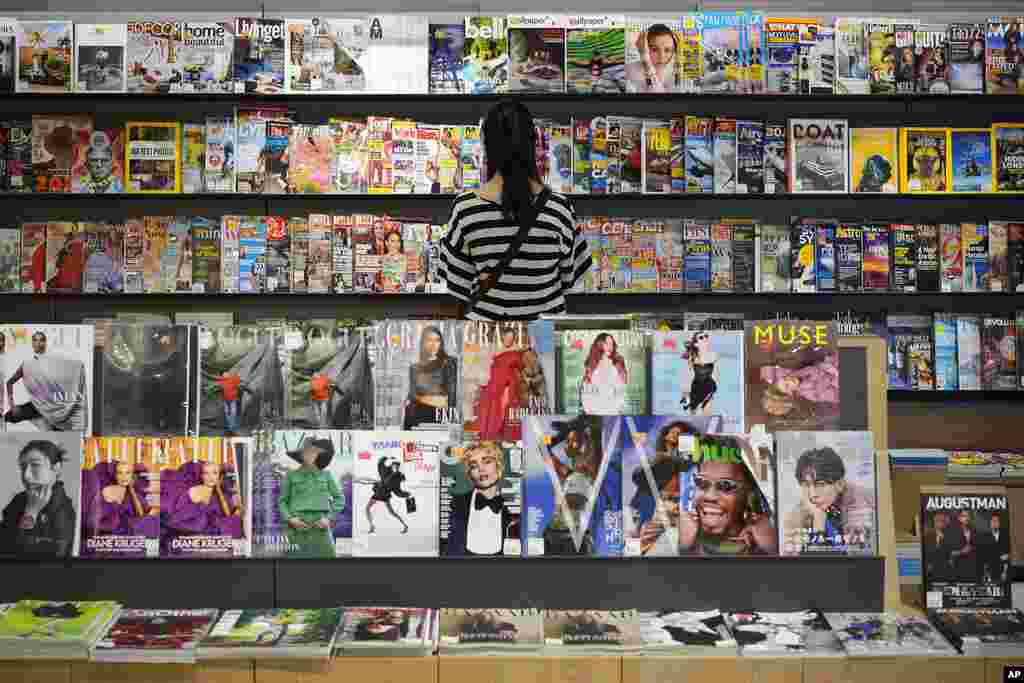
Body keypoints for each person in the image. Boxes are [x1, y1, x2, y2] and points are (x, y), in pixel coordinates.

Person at [439, 101, 590, 320]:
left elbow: (456, 285)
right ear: (533, 144)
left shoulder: (465, 208)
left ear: (486, 145)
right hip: (543, 342)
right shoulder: (559, 208)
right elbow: (570, 280)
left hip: (486, 342)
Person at [677, 435, 776, 555]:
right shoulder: (676, 532)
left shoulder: (769, 541)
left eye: (726, 485)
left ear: (750, 493)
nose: (710, 496)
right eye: (701, 483)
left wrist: (773, 549)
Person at [781, 446, 875, 554]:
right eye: (806, 485)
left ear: (839, 484)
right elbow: (793, 564)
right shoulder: (800, 512)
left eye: (820, 484)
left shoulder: (858, 505)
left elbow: (858, 562)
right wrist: (817, 522)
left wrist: (818, 527)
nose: (812, 495)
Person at [0, 440, 76, 557]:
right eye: (23, 467)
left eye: (35, 465)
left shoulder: (66, 510)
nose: (26, 475)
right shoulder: (19, 500)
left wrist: (31, 512)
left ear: (56, 468)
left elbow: (21, 554)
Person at [5, 330, 89, 432]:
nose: (38, 343)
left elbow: (70, 371)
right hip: (36, 405)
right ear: (32, 343)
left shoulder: (54, 361)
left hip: (55, 406)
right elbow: (9, 382)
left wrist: (79, 367)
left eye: (41, 340)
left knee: (60, 433)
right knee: (7, 417)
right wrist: (12, 405)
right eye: (35, 340)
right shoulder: (27, 364)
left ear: (45, 343)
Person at [279, 436, 345, 559]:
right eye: (308, 453)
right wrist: (291, 519)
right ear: (301, 455)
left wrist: (328, 518)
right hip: (297, 528)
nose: (310, 455)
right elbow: (282, 502)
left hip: (321, 528)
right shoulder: (291, 476)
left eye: (314, 453)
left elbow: (339, 498)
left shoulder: (326, 475)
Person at [446, 442, 513, 556]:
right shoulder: (456, 504)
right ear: (470, 474)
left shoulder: (512, 506)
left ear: (499, 466)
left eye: (487, 462)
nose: (481, 469)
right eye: (474, 465)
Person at [164, 461, 243, 542]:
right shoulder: (195, 491)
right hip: (188, 530)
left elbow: (228, 514)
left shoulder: (221, 495)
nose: (210, 477)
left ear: (220, 477)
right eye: (206, 473)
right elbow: (179, 518)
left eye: (214, 473)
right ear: (202, 476)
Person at [474, 324, 526, 441]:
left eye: (511, 338)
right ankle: (490, 434)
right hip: (492, 384)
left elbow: (522, 368)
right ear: (502, 337)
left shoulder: (518, 351)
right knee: (488, 409)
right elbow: (485, 365)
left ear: (514, 338)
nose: (509, 340)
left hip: (508, 384)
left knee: (504, 408)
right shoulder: (493, 349)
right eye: (506, 337)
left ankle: (501, 433)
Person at [84, 460, 158, 543]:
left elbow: (143, 515)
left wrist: (131, 489)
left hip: (128, 538)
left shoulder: (134, 494)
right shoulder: (106, 491)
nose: (124, 477)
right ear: (115, 475)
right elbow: (95, 521)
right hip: (106, 535)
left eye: (128, 473)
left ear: (132, 476)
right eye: (120, 473)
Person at [403, 325, 457, 429]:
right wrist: (433, 399)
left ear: (441, 343)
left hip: (439, 416)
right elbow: (412, 395)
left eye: (437, 340)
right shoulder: (414, 367)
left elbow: (452, 396)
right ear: (423, 343)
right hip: (417, 416)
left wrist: (424, 398)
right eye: (429, 340)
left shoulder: (449, 363)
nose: (433, 344)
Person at [579, 332, 628, 414]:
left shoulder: (617, 363)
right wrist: (588, 410)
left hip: (613, 410)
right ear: (599, 344)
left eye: (611, 344)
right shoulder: (592, 364)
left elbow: (621, 389)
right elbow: (586, 389)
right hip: (594, 411)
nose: (610, 347)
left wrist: (618, 408)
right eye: (607, 343)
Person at [624, 24, 680, 93]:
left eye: (667, 50)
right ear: (644, 47)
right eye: (654, 50)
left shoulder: (674, 71)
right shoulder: (629, 71)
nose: (661, 57)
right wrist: (645, 60)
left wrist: (679, 54)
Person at [365, 457, 412, 535]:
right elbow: (380, 464)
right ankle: (372, 526)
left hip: (385, 495)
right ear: (392, 465)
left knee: (391, 512)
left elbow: (397, 491)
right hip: (378, 491)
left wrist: (406, 494)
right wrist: (386, 458)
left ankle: (405, 525)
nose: (395, 467)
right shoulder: (386, 470)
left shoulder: (398, 477)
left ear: (398, 467)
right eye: (394, 466)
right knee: (367, 508)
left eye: (397, 466)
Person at [681, 331, 718, 413]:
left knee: (707, 414)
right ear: (696, 344)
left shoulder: (714, 355)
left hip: (708, 387)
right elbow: (688, 375)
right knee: (693, 415)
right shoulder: (692, 357)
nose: (705, 338)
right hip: (695, 388)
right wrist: (685, 393)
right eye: (701, 338)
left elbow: (716, 374)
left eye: (706, 336)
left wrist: (713, 390)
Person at [214, 370, 251, 434]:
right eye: (225, 374)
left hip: (233, 399)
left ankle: (232, 428)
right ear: (222, 375)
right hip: (226, 400)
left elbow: (241, 385)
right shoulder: (221, 382)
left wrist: (249, 390)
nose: (227, 374)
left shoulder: (233, 379)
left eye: (227, 373)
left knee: (233, 413)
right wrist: (215, 390)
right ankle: (231, 428)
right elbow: (218, 388)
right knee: (227, 413)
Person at [979, 511, 1010, 584]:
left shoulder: (1005, 536)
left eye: (996, 521)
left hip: (1003, 571)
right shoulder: (984, 538)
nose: (994, 523)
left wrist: (1005, 572)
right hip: (990, 572)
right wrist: (986, 574)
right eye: (992, 521)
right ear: (990, 523)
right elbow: (984, 557)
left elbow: (1007, 555)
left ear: (999, 523)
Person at [924, 511, 954, 583]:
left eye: (941, 521)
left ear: (945, 523)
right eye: (937, 520)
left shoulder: (950, 536)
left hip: (945, 571)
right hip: (931, 572)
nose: (939, 523)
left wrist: (943, 539)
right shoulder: (928, 535)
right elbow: (927, 552)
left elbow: (950, 553)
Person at [950, 509, 980, 583]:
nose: (967, 518)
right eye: (964, 516)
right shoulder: (953, 532)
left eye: (968, 516)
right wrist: (961, 552)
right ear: (959, 518)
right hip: (959, 571)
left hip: (973, 570)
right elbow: (948, 552)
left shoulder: (974, 531)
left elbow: (978, 549)